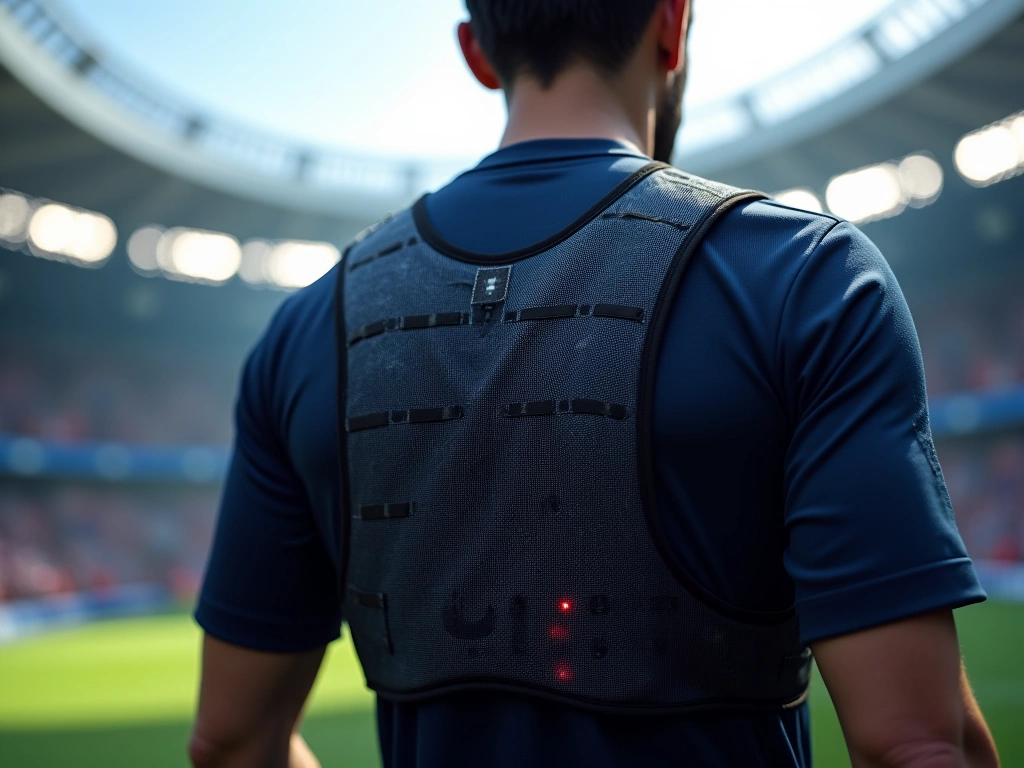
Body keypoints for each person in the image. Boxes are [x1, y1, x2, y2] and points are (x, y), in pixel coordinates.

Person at [189, 1, 1001, 766]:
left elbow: (231, 743)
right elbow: (914, 746)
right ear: (673, 24)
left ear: (478, 52)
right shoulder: (808, 278)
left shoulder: (307, 330)